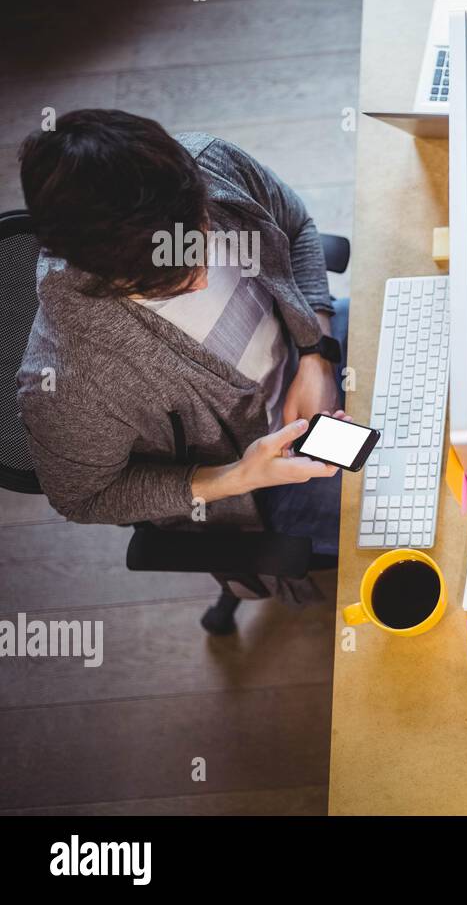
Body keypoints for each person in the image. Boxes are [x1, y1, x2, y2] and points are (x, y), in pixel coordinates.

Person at [16, 109, 350, 591]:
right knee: (420, 509)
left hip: (315, 348)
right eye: (168, 281)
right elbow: (84, 497)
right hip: (257, 484)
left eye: (202, 236)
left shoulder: (208, 163)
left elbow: (295, 227)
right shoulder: (70, 379)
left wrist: (316, 352)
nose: (204, 275)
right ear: (95, 272)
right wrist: (235, 477)